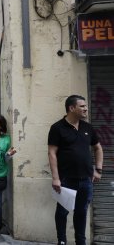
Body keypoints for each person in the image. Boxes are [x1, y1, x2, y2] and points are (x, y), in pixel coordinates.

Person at [48, 95, 103, 245]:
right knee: (62, 212)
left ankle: (81, 241)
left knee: (81, 212)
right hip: (66, 179)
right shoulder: (57, 128)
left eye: (85, 106)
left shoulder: (88, 127)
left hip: (86, 179)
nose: (86, 109)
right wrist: (55, 178)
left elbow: (98, 148)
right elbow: (52, 153)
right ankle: (62, 241)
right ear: (71, 108)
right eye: (82, 106)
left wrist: (98, 169)